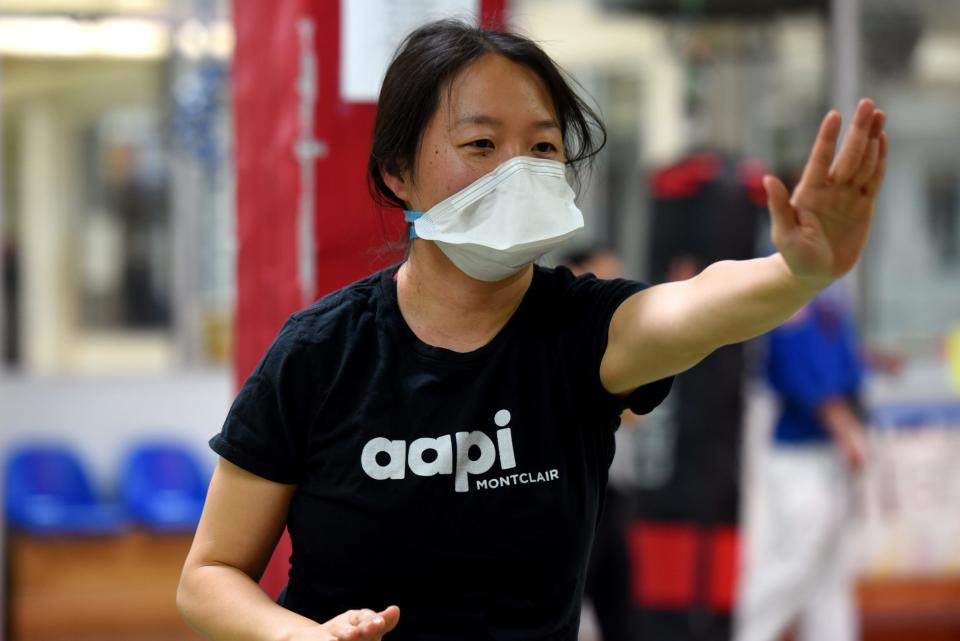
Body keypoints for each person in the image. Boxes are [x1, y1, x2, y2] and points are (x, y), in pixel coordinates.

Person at [176, 18, 888, 641]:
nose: (518, 171)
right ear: (397, 172)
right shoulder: (318, 353)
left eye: (543, 148)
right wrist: (296, 635)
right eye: (482, 143)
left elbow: (699, 302)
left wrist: (797, 273)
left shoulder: (586, 334)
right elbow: (209, 573)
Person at [734, 284, 869, 641]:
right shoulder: (791, 273)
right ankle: (745, 634)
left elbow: (842, 362)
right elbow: (801, 369)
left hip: (829, 453)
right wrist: (846, 429)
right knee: (791, 562)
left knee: (830, 573)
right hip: (797, 455)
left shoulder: (834, 285)